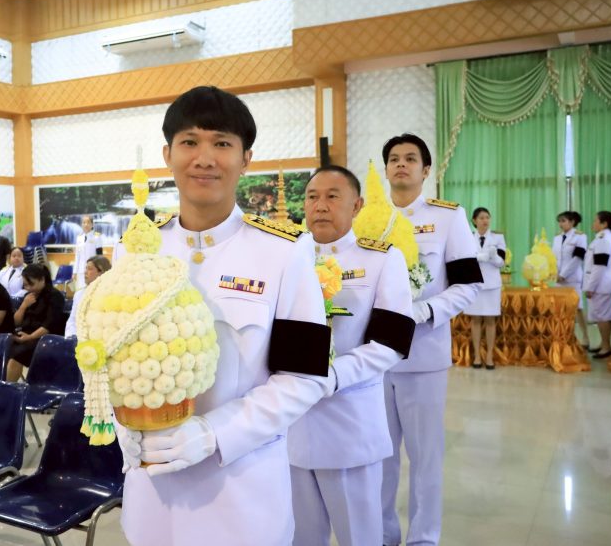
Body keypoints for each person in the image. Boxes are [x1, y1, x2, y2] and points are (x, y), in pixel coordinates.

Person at [115, 86, 335, 546]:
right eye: (189, 142)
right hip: (151, 495)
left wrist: (215, 432)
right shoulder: (135, 249)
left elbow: (305, 377)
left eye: (221, 143)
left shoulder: (283, 251)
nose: (204, 158)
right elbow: (108, 360)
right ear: (168, 154)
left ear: (245, 158)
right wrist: (122, 424)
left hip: (241, 495)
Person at [289, 166, 414, 546]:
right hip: (292, 425)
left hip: (350, 424)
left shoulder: (381, 260)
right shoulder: (287, 258)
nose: (320, 206)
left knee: (359, 536)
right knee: (299, 536)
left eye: (332, 196)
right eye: (312, 197)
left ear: (356, 205)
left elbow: (391, 343)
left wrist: (333, 376)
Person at [381, 133, 482, 546]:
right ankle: (382, 534)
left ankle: (423, 537)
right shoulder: (368, 219)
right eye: (393, 158)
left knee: (424, 457)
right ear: (386, 169)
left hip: (423, 355)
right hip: (373, 360)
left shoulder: (447, 217)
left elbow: (468, 284)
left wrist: (424, 312)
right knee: (379, 456)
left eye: (410, 158)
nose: (401, 164)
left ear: (425, 170)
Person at [6, 264, 66, 382]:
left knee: (17, 354)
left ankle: (7, 388)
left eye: (31, 284)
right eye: (25, 285)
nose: (28, 288)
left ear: (42, 279)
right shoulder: (28, 296)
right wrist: (23, 306)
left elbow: (49, 325)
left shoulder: (55, 296)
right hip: (26, 335)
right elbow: (16, 322)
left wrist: (30, 337)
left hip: (46, 338)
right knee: (2, 347)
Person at [463, 207, 506, 370]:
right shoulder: (467, 237)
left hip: (492, 285)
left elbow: (501, 263)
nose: (485, 220)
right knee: (475, 320)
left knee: (490, 320)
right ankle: (477, 355)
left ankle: (489, 356)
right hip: (474, 284)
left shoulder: (498, 237)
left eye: (487, 217)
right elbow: (464, 259)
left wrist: (493, 257)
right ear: (474, 221)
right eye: (481, 218)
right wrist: (478, 257)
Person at [584, 211, 611, 358]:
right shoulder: (605, 237)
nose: (593, 224)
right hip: (604, 284)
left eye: (596, 221)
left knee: (603, 317)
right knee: (605, 316)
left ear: (604, 224)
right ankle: (604, 344)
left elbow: (599, 266)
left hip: (601, 285)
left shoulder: (603, 239)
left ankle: (606, 347)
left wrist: (590, 287)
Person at [553, 211, 590, 347]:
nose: (560, 224)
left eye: (563, 221)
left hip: (572, 278)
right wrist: (555, 274)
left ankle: (585, 337)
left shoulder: (580, 237)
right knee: (560, 309)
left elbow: (578, 258)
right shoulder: (557, 238)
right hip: (558, 279)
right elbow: (554, 258)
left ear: (572, 222)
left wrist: (564, 274)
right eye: (559, 221)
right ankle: (565, 336)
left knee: (578, 308)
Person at [64, 255, 111, 337]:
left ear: (102, 272)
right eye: (86, 268)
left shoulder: (110, 294)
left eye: (90, 269)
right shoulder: (79, 294)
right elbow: (72, 320)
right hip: (77, 336)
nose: (85, 272)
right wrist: (72, 336)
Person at [73, 215, 103, 291]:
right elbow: (77, 256)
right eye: (84, 222)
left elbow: (99, 256)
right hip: (81, 271)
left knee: (91, 291)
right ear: (82, 224)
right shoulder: (79, 238)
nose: (86, 224)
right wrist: (75, 272)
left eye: (88, 222)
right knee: (80, 291)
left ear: (92, 224)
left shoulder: (97, 236)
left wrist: (99, 271)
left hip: (92, 270)